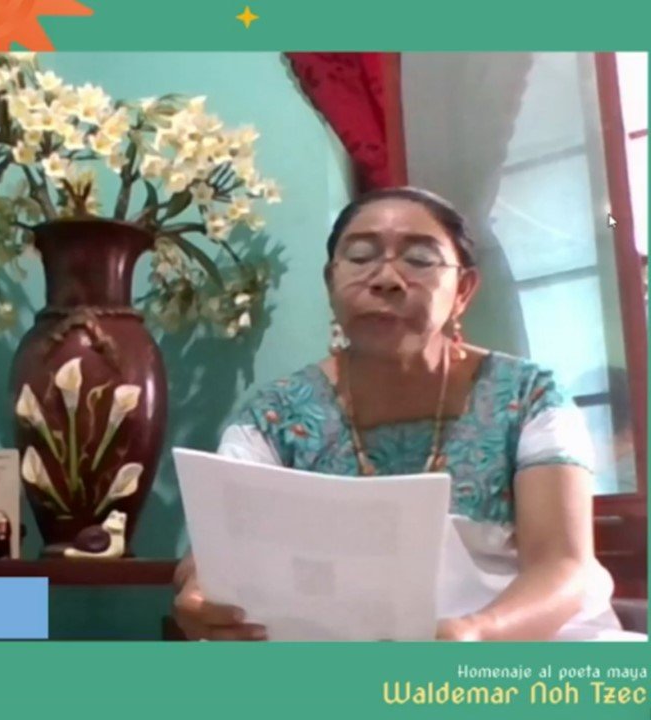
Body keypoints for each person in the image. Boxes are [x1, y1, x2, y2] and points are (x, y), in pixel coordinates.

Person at [173, 187, 641, 641]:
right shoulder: (273, 417)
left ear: (463, 289)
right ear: (331, 282)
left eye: (419, 260)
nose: (385, 279)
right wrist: (200, 593)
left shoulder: (529, 396)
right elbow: (218, 555)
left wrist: (475, 635)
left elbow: (563, 565)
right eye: (360, 257)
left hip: (524, 645)